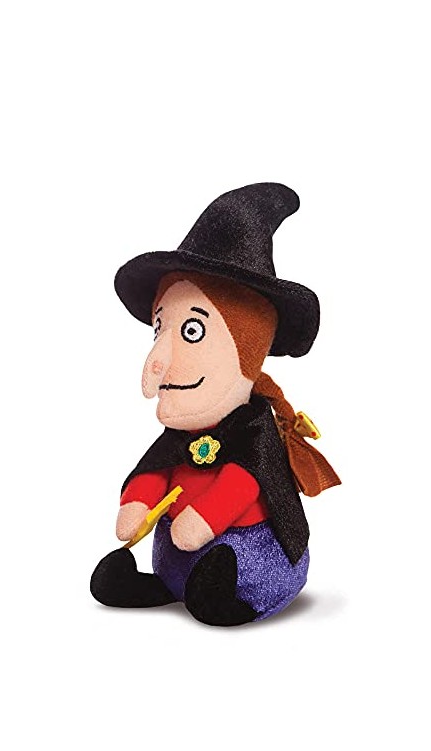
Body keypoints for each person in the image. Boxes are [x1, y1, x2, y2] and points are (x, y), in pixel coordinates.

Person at [90, 183, 339, 626]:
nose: (160, 359)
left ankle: (233, 598)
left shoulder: (254, 435)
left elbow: (241, 485)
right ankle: (168, 584)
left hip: (246, 556)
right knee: (178, 556)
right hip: (178, 555)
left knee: (220, 566)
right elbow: (156, 471)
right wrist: (137, 503)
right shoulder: (179, 433)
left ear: (247, 347)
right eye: (160, 328)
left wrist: (203, 519)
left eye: (192, 331)